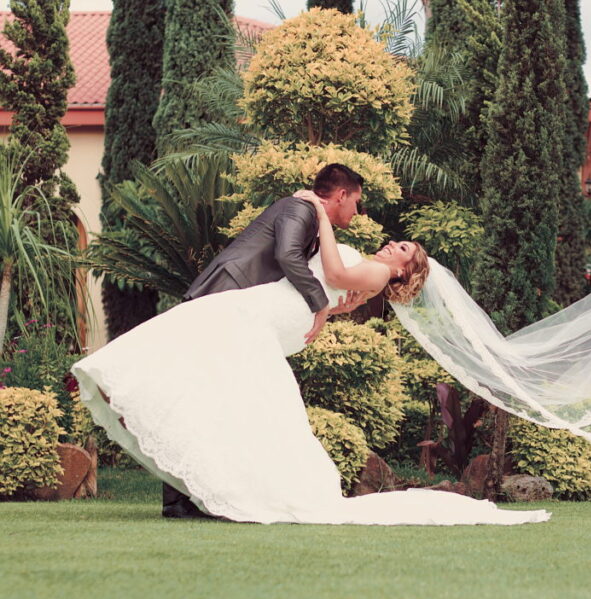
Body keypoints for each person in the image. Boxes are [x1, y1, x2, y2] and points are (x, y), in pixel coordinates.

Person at [71, 170, 550, 526]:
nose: (390, 245)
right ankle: (194, 493)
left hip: (267, 312)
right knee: (212, 393)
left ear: (405, 273)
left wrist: (321, 229)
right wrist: (327, 306)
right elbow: (330, 285)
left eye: (402, 251)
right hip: (266, 309)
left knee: (201, 373)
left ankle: (194, 488)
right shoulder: (349, 253)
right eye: (396, 242)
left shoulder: (370, 266)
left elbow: (333, 277)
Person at [160, 164, 367, 518]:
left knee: (216, 403)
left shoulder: (309, 218)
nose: (358, 213)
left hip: (234, 307)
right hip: (222, 298)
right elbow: (286, 255)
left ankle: (192, 498)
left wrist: (334, 306)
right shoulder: (298, 208)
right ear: (341, 195)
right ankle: (180, 501)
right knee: (202, 401)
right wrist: (319, 303)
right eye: (357, 203)